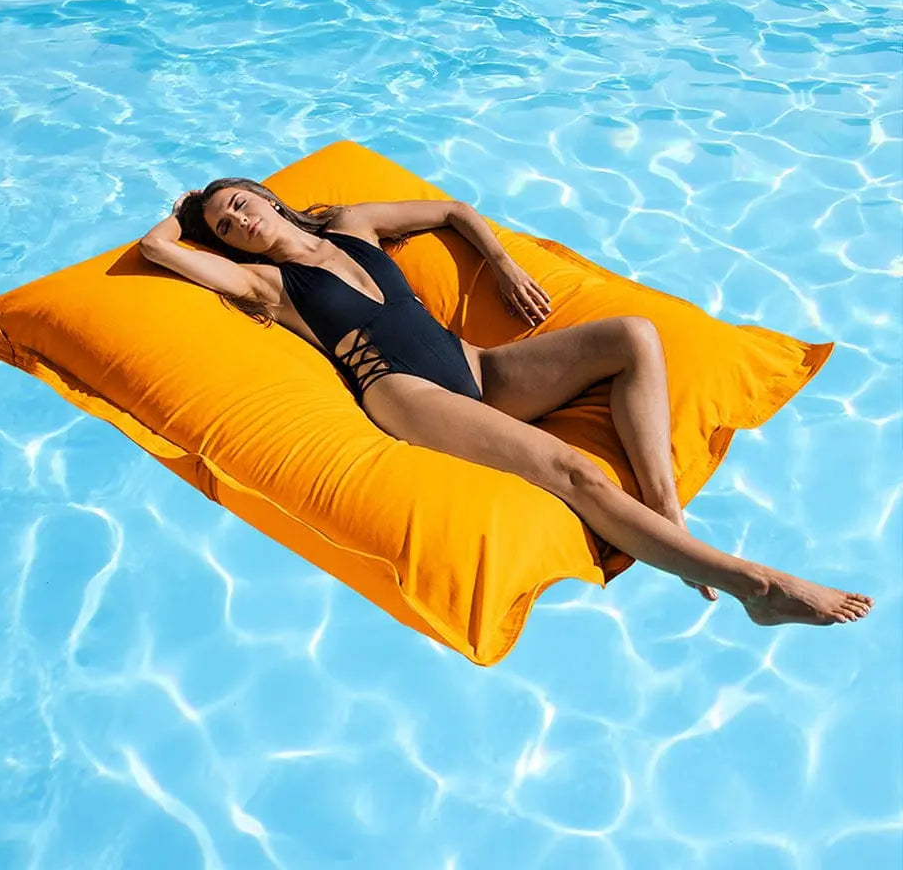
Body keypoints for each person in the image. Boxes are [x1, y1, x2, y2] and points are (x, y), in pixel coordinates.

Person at [140, 178, 873, 627]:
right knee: (570, 470)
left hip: (480, 369)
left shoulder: (353, 226)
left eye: (241, 205)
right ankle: (758, 586)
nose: (241, 223)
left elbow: (455, 209)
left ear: (268, 197)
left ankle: (668, 517)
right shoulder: (268, 287)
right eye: (228, 228)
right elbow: (156, 251)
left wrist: (502, 260)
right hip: (407, 394)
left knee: (635, 334)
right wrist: (182, 215)